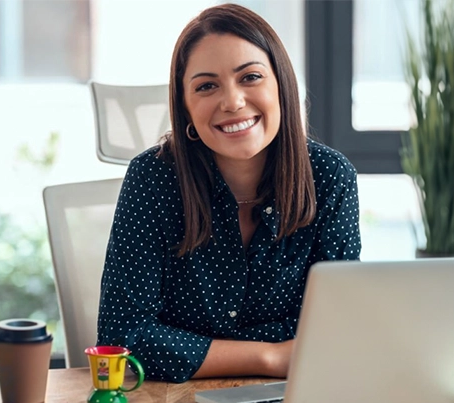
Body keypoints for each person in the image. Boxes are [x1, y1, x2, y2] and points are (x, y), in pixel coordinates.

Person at [97, 3, 361, 383]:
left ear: (281, 86)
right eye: (206, 86)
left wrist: (189, 348)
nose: (232, 102)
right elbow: (122, 340)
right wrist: (270, 357)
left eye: (250, 77)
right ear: (186, 108)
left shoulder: (329, 178)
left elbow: (336, 331)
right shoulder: (152, 178)